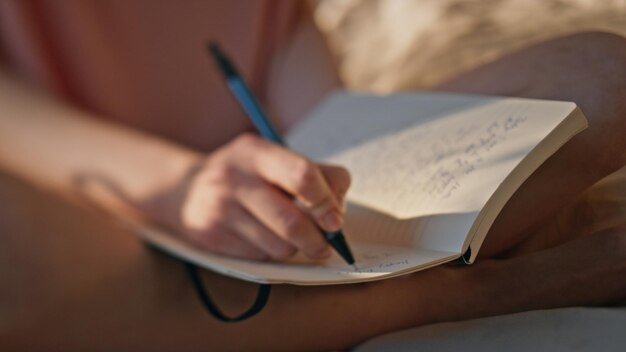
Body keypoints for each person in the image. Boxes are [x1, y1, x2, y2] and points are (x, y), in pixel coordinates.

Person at [1, 1, 625, 350]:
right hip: (87, 215)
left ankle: (321, 292)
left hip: (273, 188)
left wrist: (334, 149)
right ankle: (452, 296)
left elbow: (279, 32)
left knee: (599, 77)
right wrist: (179, 187)